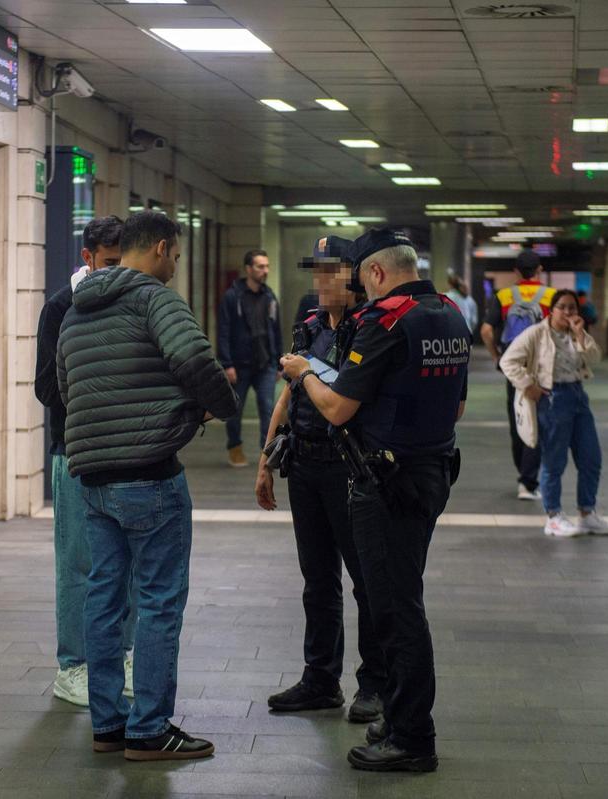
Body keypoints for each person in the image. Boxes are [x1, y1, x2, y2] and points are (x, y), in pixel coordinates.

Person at [280, 228, 470, 773]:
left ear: (378, 273)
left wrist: (304, 370)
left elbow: (337, 408)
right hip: (430, 471)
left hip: (386, 481)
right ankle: (400, 719)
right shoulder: (448, 314)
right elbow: (454, 408)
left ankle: (412, 735)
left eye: (364, 278)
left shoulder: (385, 321)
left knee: (395, 609)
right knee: (398, 599)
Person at [57, 211, 238, 761]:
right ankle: (150, 729)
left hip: (93, 478)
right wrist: (221, 408)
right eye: (177, 257)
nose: (176, 267)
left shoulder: (75, 312)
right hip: (150, 476)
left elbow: (66, 386)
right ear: (161, 248)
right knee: (159, 601)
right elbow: (190, 356)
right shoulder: (154, 299)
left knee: (104, 598)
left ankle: (108, 724)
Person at [256, 236, 383, 724]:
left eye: (332, 271)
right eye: (317, 271)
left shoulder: (368, 330)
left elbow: (348, 396)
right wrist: (267, 456)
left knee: (366, 582)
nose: (321, 281)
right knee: (318, 581)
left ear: (355, 276)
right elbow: (289, 393)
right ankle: (321, 679)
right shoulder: (309, 326)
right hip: (304, 466)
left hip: (348, 467)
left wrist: (311, 371)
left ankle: (374, 684)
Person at [34, 216, 135, 707]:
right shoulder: (61, 306)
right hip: (73, 451)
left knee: (131, 561)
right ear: (88, 258)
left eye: (124, 262)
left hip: (128, 451)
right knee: (77, 563)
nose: (116, 271)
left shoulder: (136, 300)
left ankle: (127, 654)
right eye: (110, 262)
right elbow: (46, 387)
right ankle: (72, 665)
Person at [500, 290, 608, 538]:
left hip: (578, 397)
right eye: (562, 307)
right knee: (554, 461)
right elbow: (508, 361)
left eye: (572, 308)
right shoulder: (537, 333)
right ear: (551, 310)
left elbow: (595, 357)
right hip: (553, 399)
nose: (568, 312)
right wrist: (528, 385)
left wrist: (581, 333)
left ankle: (587, 513)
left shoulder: (576, 335)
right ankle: (553, 516)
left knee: (591, 457)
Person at [480, 250, 556, 501]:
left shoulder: (503, 296)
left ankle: (524, 472)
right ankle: (528, 480)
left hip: (512, 364)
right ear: (539, 269)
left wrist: (496, 357)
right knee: (538, 419)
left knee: (517, 418)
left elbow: (487, 331)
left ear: (515, 271)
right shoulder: (551, 296)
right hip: (540, 366)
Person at [218, 249, 282, 467]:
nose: (265, 270)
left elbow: (276, 329)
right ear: (248, 269)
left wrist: (279, 361)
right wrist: (226, 364)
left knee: (268, 409)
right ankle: (235, 447)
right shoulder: (232, 296)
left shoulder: (270, 296)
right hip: (239, 365)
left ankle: (267, 453)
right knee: (235, 410)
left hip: (265, 363)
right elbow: (223, 331)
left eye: (267, 266)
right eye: (260, 266)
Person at [445, 273, 478, 337]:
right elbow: (474, 321)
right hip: (466, 333)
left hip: (451, 334)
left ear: (450, 285)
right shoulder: (469, 300)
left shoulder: (444, 297)